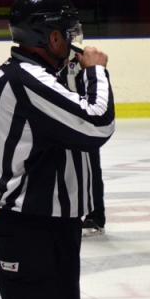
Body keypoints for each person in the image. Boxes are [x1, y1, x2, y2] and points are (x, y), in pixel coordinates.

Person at [0, 0, 114, 299]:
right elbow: (96, 124)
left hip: (48, 230)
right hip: (27, 230)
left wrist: (81, 74)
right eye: (68, 32)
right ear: (52, 37)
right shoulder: (24, 79)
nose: (75, 42)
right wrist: (97, 71)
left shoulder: (37, 76)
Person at [62, 57, 108, 237]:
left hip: (82, 121)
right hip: (57, 119)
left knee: (90, 169)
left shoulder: (83, 58)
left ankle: (95, 217)